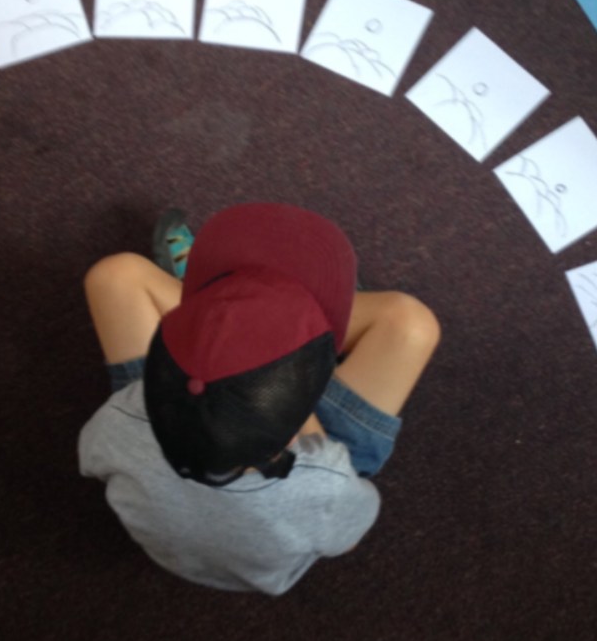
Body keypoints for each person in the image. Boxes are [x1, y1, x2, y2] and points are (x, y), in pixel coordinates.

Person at [78, 203, 440, 595]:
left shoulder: (120, 416)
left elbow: (95, 462)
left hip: (171, 426)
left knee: (115, 276)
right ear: (303, 413)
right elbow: (346, 541)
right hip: (304, 457)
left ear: (159, 365)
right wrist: (306, 419)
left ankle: (216, 308)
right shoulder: (325, 484)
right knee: (411, 323)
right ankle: (278, 315)